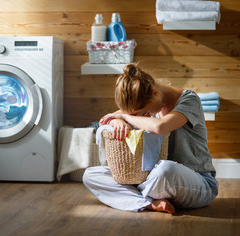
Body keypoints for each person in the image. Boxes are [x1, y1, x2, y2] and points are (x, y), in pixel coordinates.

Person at [83, 63, 218, 214]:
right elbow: (108, 119)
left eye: (145, 112)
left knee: (165, 169)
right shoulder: (147, 102)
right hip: (153, 179)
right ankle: (149, 202)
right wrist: (118, 121)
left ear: (154, 93)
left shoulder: (189, 100)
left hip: (197, 182)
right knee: (91, 175)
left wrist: (125, 117)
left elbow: (160, 127)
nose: (143, 118)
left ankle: (135, 196)